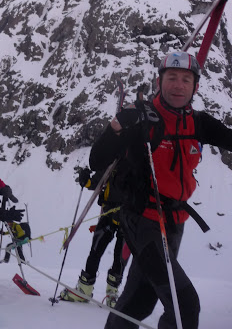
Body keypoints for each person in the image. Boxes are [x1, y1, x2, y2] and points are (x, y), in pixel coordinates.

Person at [90, 51, 232, 329]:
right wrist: (118, 126)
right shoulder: (142, 119)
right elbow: (97, 160)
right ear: (160, 81)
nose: (178, 85)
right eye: (172, 78)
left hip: (175, 222)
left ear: (195, 87)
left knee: (140, 302)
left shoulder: (198, 122)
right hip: (142, 219)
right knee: (184, 304)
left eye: (186, 79)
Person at [60, 168, 130, 307]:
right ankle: (85, 289)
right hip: (109, 213)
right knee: (96, 251)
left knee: (120, 257)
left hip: (129, 215)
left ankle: (112, 293)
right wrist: (86, 181)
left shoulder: (142, 159)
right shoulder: (116, 157)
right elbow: (99, 179)